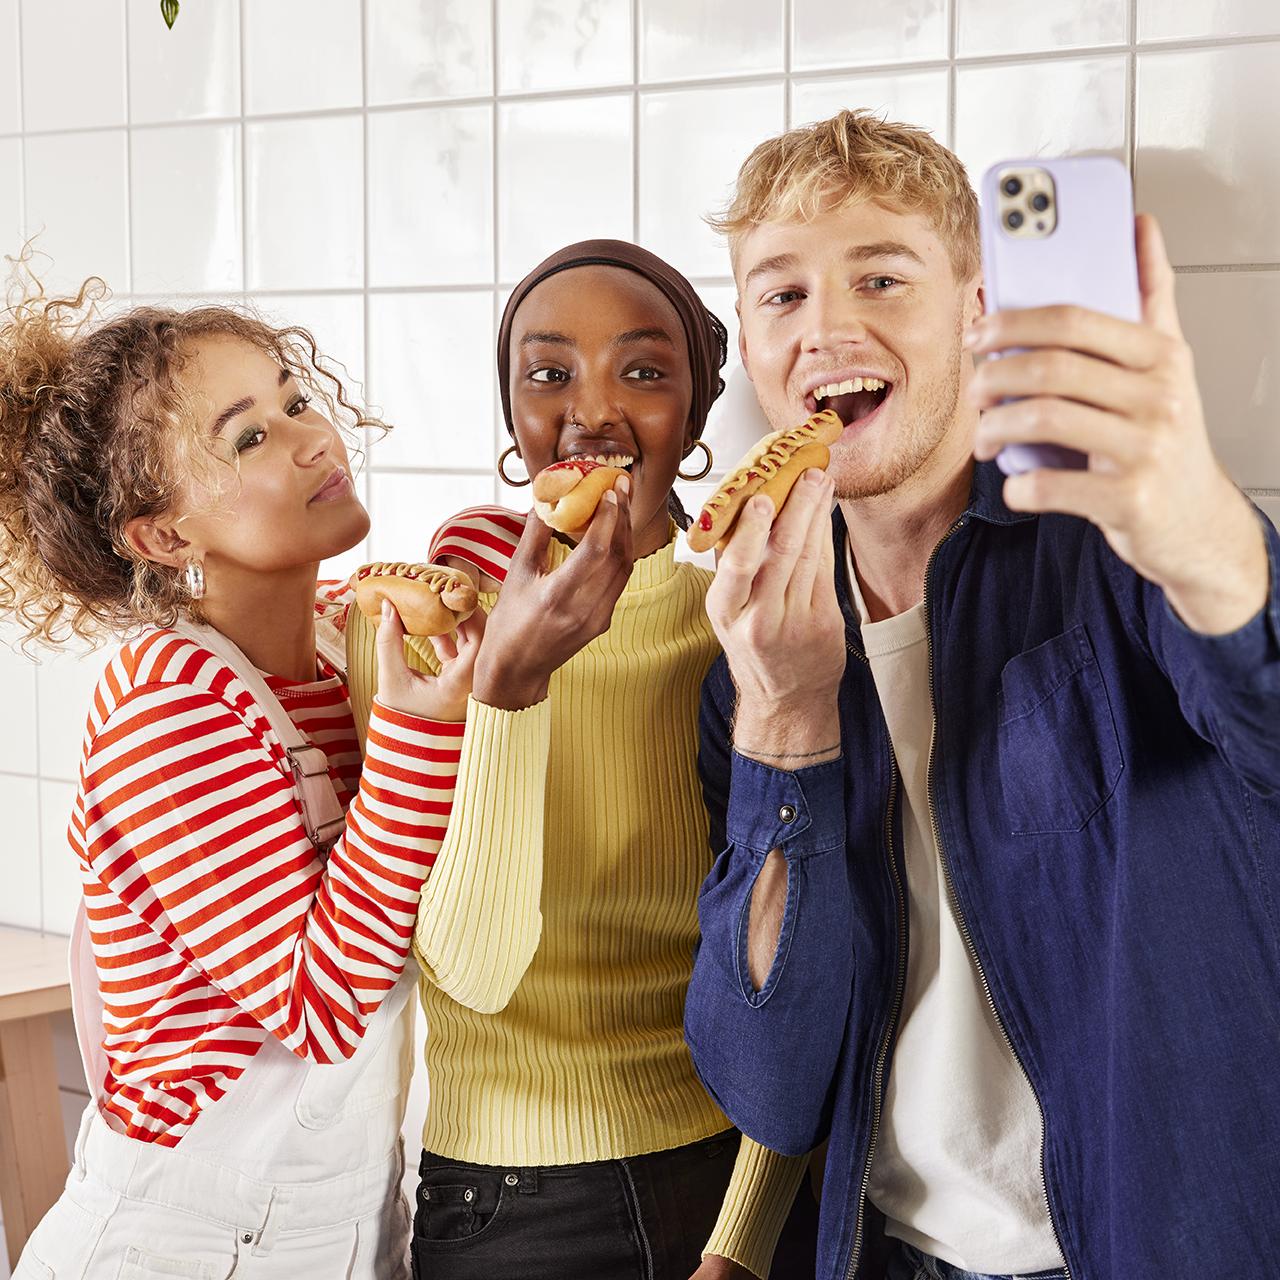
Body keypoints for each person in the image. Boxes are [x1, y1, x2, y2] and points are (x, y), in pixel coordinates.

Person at [683, 110, 1280, 1280]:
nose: (826, 329)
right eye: (780, 294)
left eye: (879, 275)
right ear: (747, 346)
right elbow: (772, 1085)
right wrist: (784, 725)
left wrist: (1200, 535)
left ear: (974, 306)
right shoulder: (751, 661)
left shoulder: (1119, 544)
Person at [345, 240, 816, 1280]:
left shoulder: (751, 614)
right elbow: (470, 970)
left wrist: (738, 1242)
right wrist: (508, 684)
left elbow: (811, 948)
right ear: (511, 417)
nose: (592, 412)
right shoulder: (423, 633)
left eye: (642, 372)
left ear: (695, 415)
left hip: (740, 1174)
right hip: (509, 1208)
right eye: (548, 373)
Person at [0, 273, 482, 1279]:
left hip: (340, 1221)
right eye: (248, 436)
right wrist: (418, 732)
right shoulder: (167, 703)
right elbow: (325, 998)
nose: (310, 437)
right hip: (180, 1241)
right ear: (165, 537)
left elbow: (458, 593)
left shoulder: (340, 645)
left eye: (293, 400)